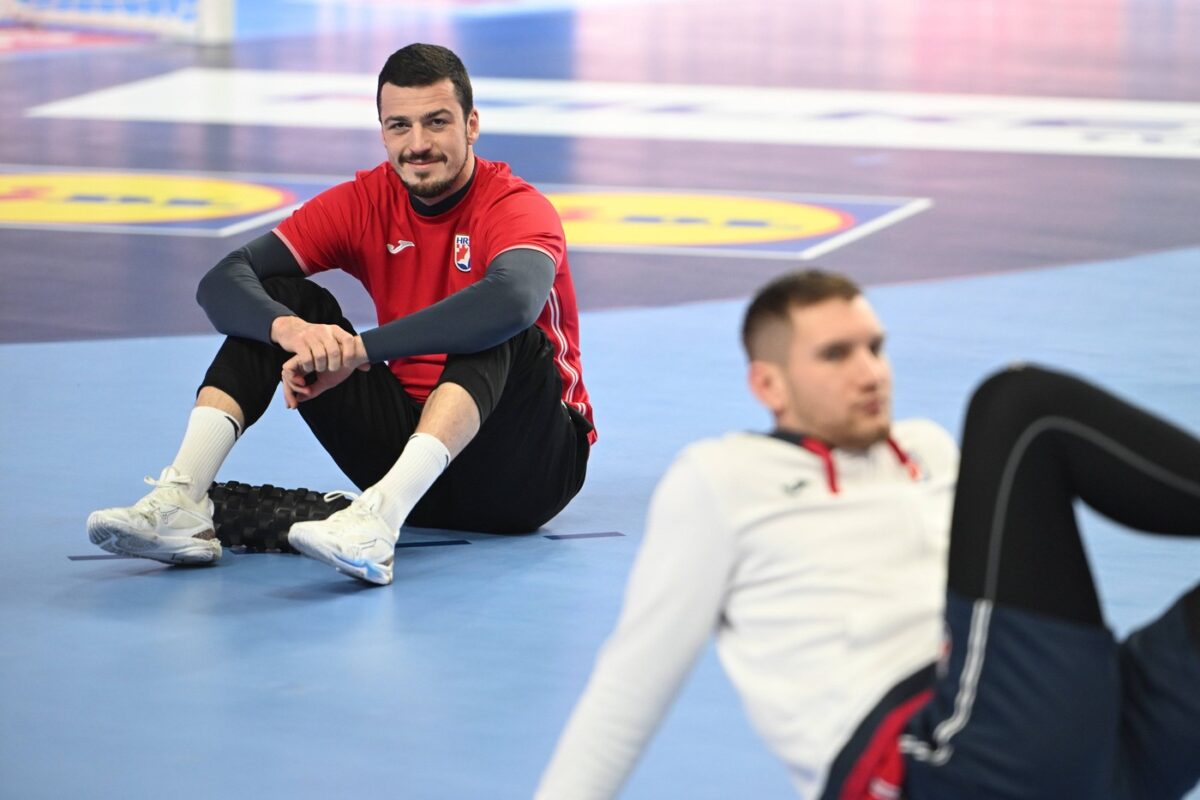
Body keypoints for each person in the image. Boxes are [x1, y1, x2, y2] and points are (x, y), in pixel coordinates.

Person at [536, 270, 1200, 799]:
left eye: (875, 348)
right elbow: (630, 684)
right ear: (768, 384)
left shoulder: (927, 449)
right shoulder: (722, 478)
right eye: (836, 354)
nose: (871, 371)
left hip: (1086, 747)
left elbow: (1004, 602)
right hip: (928, 758)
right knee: (1020, 408)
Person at [86, 43, 595, 586]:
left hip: (527, 471)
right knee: (280, 298)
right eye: (399, 126)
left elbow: (513, 301)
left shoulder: (515, 206)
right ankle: (181, 500)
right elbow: (223, 280)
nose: (418, 144)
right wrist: (289, 329)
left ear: (471, 125)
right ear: (383, 132)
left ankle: (376, 520)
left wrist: (359, 351)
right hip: (411, 465)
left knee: (504, 329)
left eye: (436, 122)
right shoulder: (365, 202)